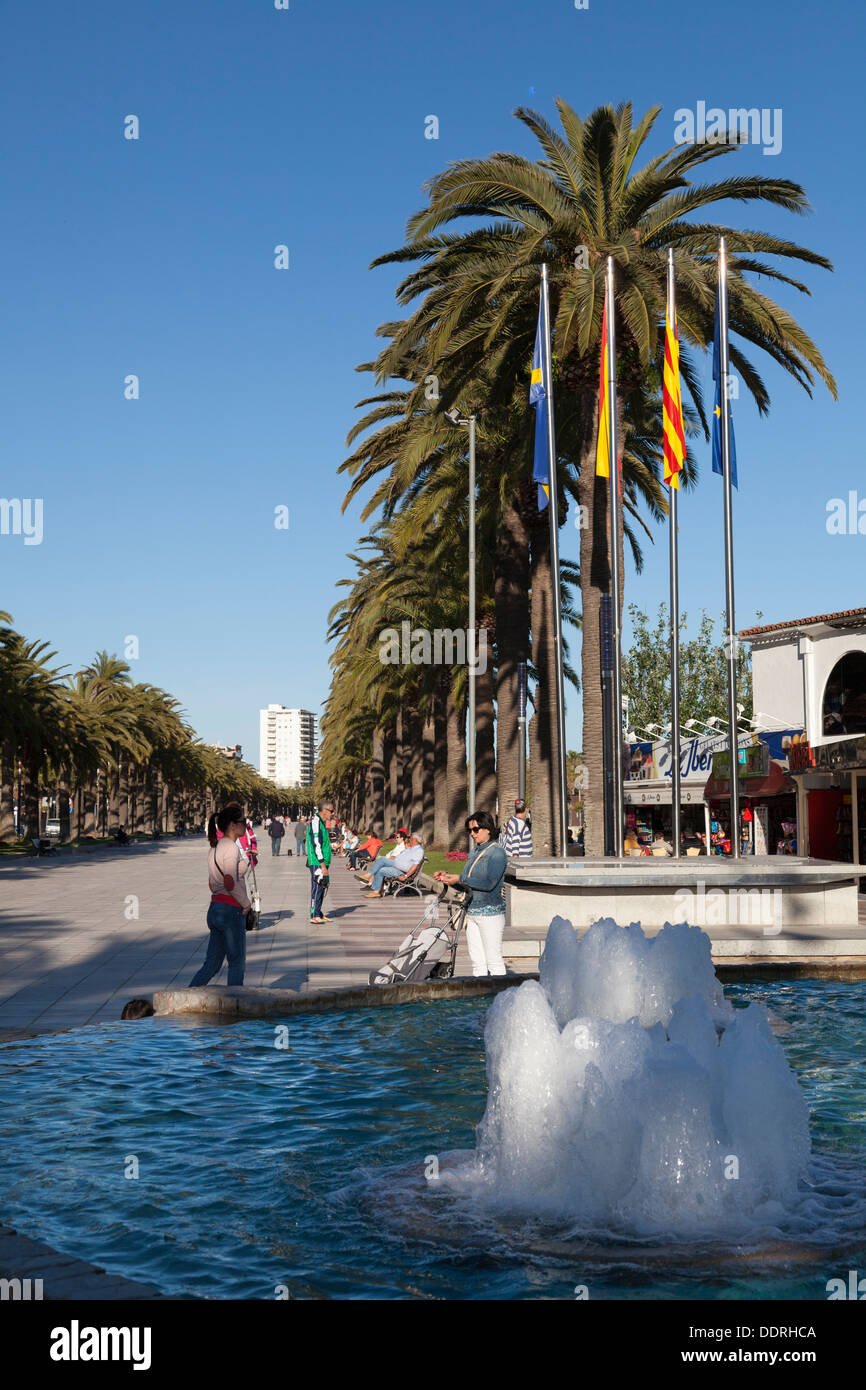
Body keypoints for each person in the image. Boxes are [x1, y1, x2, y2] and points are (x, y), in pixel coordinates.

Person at [434, 811, 508, 977]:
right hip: (472, 912)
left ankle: (501, 997)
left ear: (488, 828)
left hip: (490, 913)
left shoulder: (496, 853)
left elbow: (489, 884)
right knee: (477, 961)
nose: (472, 834)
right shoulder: (475, 852)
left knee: (493, 960)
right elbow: (469, 884)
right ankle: (481, 999)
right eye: (470, 830)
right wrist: (448, 878)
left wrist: (460, 878)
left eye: (476, 829)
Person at [189, 803, 250, 987]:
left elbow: (211, 882)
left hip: (215, 909)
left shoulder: (214, 848)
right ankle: (235, 1007)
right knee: (236, 962)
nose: (245, 826)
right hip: (230, 910)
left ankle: (188, 996)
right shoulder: (231, 848)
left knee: (212, 964)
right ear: (232, 825)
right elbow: (230, 881)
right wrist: (246, 904)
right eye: (243, 822)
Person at [358, 833, 424, 897]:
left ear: (414, 840)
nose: (409, 839)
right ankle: (371, 881)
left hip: (401, 871)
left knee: (381, 868)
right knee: (381, 860)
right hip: (395, 865)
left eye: (410, 838)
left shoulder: (418, 850)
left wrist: (406, 876)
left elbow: (415, 865)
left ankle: (375, 889)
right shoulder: (410, 848)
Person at [307, 800, 334, 923]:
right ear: (324, 810)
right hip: (317, 862)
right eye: (331, 811)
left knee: (322, 887)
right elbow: (316, 844)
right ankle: (314, 915)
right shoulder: (316, 822)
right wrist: (322, 865)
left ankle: (319, 912)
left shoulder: (322, 823)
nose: (333, 814)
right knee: (317, 888)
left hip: (324, 862)